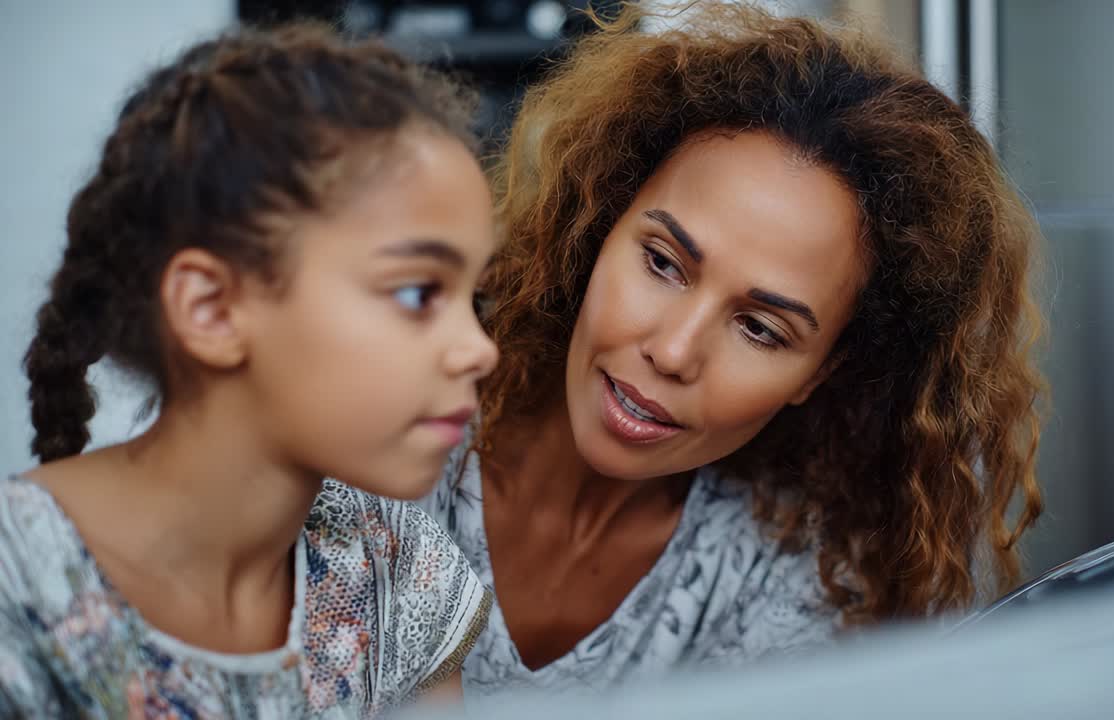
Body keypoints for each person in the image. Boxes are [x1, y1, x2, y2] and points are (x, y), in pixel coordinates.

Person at [423, 2, 1045, 698]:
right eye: (663, 263)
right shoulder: (393, 419)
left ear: (822, 371)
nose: (674, 351)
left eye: (761, 328)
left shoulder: (794, 575)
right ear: (601, 226)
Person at [0, 23, 498, 717]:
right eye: (418, 292)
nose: (480, 349)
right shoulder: (17, 592)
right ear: (212, 308)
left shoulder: (400, 570)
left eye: (473, 298)